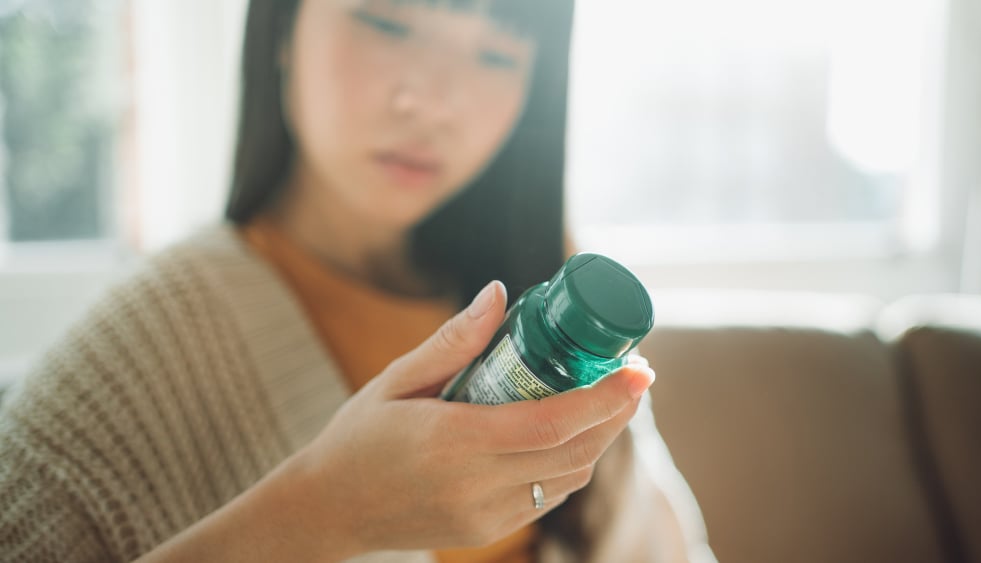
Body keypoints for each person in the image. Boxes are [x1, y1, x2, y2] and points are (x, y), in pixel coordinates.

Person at [0, 0, 715, 561]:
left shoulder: (553, 290)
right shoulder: (152, 335)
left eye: (498, 51)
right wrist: (322, 512)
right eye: (386, 20)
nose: (435, 101)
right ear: (282, 25)